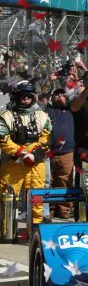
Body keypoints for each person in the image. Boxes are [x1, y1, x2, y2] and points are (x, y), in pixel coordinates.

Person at [0, 82, 51, 224]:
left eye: (28, 96)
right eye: (22, 95)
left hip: (35, 162)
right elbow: (3, 139)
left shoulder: (42, 116)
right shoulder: (6, 116)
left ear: (33, 98)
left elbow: (47, 138)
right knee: (7, 197)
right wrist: (21, 152)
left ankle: (35, 229)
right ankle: (7, 231)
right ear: (15, 97)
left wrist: (35, 155)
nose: (25, 98)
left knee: (36, 198)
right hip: (12, 162)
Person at [46, 88, 75, 219]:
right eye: (56, 94)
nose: (59, 96)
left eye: (62, 94)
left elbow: (78, 93)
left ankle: (64, 210)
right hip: (49, 152)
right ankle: (50, 209)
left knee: (64, 181)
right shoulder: (47, 110)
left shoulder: (72, 110)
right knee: (49, 181)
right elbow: (43, 96)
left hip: (67, 152)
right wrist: (50, 82)